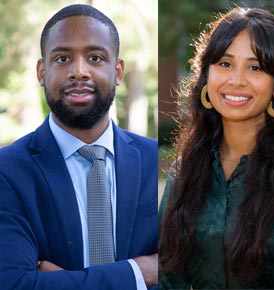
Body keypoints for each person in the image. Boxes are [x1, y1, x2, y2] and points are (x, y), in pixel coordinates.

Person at [0, 4, 158, 290]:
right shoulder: (7, 171)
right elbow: (14, 284)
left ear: (118, 71)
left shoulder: (156, 160)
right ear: (41, 71)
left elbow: (189, 271)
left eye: (95, 57)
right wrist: (141, 272)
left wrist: (59, 283)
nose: (79, 71)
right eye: (62, 58)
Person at [158, 7, 274, 289]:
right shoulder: (184, 171)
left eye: (255, 67)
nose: (236, 80)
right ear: (206, 75)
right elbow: (167, 277)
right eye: (224, 64)